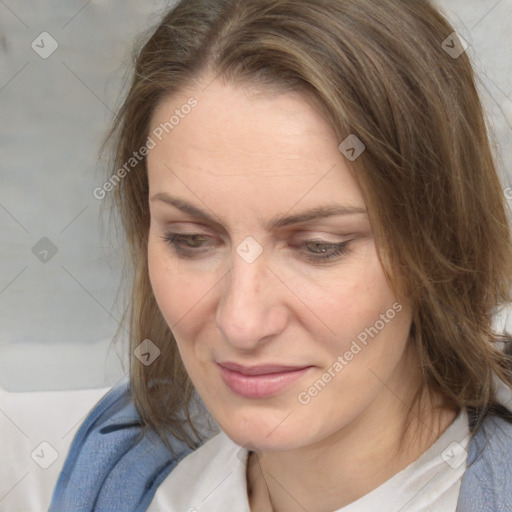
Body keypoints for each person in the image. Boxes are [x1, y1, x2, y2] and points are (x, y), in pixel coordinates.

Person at [50, 0, 512, 510]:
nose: (241, 323)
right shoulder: (104, 479)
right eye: (192, 239)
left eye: (320, 247)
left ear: (441, 237)